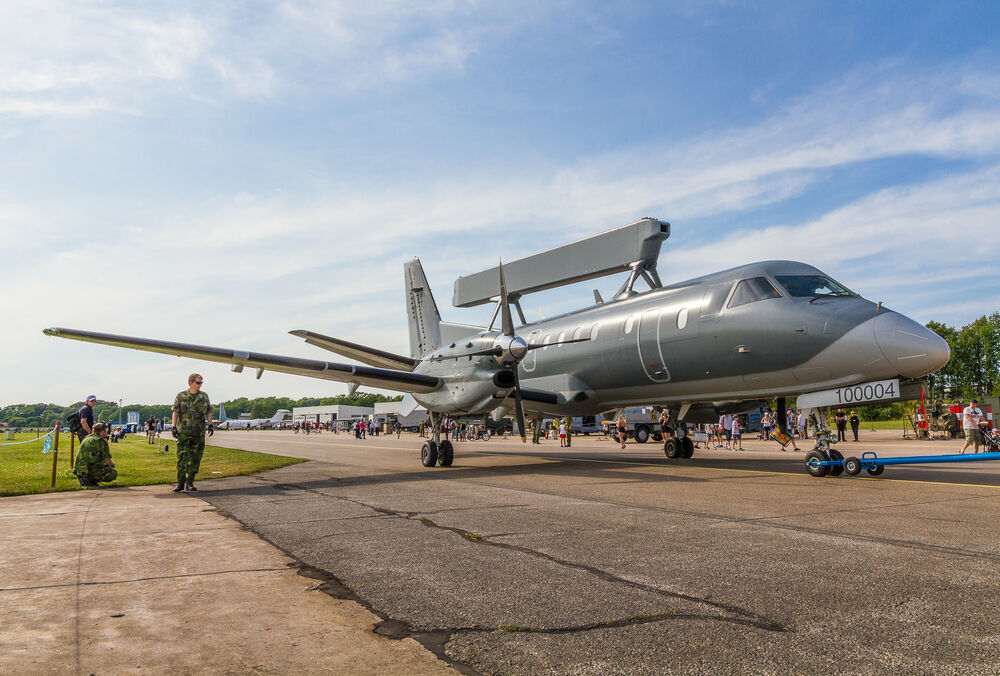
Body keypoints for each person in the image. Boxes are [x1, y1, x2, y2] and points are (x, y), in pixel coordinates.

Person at [171, 373, 212, 493]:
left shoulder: (204, 396)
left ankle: (190, 482)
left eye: (201, 383)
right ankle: (180, 482)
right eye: (198, 382)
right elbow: (175, 412)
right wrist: (174, 427)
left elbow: (208, 411)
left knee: (196, 458)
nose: (200, 385)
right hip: (183, 432)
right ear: (191, 382)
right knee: (182, 457)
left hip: (198, 433)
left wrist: (210, 424)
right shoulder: (181, 396)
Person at [74, 422, 117, 487]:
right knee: (113, 473)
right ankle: (90, 480)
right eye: (106, 431)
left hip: (78, 470)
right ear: (102, 432)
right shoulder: (101, 441)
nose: (107, 433)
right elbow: (107, 461)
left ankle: (85, 479)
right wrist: (112, 464)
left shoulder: (88, 437)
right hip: (89, 470)